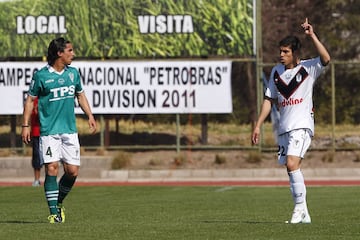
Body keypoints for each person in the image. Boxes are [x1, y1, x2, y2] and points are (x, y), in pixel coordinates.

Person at [251, 18, 330, 224]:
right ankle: (303, 211)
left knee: (292, 163)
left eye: (285, 51)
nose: (281, 55)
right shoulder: (277, 72)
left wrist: (311, 35)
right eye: (281, 51)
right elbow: (269, 99)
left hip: (302, 125)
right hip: (284, 128)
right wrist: (258, 125)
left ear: (295, 53)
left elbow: (326, 58)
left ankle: (298, 208)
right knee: (291, 167)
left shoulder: (308, 68)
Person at [21, 37, 97, 224]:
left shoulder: (73, 74)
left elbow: (80, 95)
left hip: (69, 130)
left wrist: (90, 115)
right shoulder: (41, 76)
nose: (73, 54)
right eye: (70, 50)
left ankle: (59, 202)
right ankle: (54, 213)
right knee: (52, 168)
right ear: (59, 53)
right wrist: (25, 125)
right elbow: (30, 100)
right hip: (49, 132)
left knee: (72, 171)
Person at [31, 97, 43, 187]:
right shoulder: (33, 99)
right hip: (36, 132)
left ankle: (52, 179)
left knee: (51, 157)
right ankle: (37, 179)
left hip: (49, 132)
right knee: (36, 157)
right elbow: (34, 114)